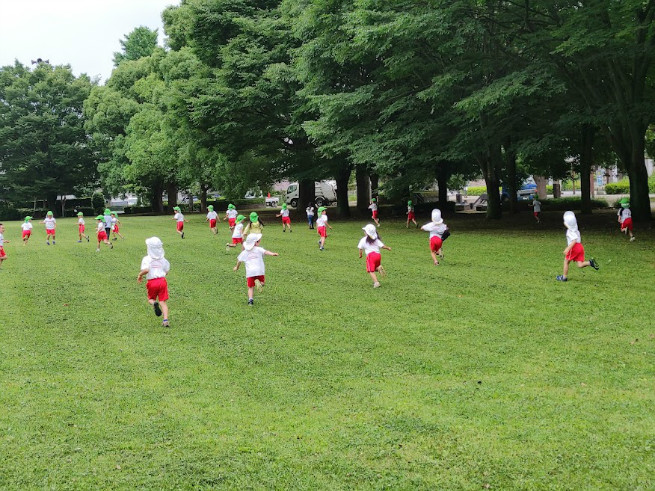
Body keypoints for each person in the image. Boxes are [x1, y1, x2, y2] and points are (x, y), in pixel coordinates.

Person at [233, 233, 279, 306]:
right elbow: (266, 252)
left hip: (250, 272)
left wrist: (236, 267)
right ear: (255, 243)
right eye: (258, 241)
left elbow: (239, 261)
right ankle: (259, 283)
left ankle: (250, 301)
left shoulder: (245, 252)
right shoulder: (259, 249)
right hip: (259, 270)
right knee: (263, 283)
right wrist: (273, 254)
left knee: (250, 287)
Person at [137, 237, 171, 327]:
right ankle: (165, 320)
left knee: (151, 299)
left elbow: (146, 270)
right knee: (163, 301)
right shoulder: (163, 260)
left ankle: (154, 303)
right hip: (162, 281)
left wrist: (140, 275)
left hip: (152, 282)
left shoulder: (147, 259)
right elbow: (166, 271)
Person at [557, 211, 599, 282]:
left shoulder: (570, 232)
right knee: (580, 264)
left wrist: (568, 248)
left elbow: (574, 240)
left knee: (566, 262)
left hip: (574, 248)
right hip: (580, 247)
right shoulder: (576, 228)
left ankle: (564, 278)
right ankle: (590, 262)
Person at [358, 224, 392, 288]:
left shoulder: (363, 240)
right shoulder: (376, 240)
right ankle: (378, 268)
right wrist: (388, 248)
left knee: (371, 270)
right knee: (374, 267)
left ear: (366, 232)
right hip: (378, 255)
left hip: (371, 256)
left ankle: (376, 282)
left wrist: (360, 255)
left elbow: (360, 248)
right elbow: (382, 246)